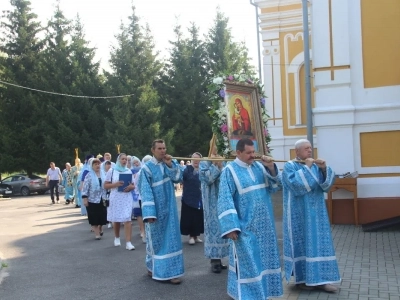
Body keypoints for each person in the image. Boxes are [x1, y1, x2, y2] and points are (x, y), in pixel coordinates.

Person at [218, 138, 283, 300]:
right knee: (248, 264)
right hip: (245, 227)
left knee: (265, 262)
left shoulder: (259, 167)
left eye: (253, 152)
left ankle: (264, 293)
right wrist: (231, 226)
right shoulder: (230, 171)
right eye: (248, 153)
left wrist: (271, 168)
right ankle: (249, 296)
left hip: (265, 226)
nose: (252, 155)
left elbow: (276, 186)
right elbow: (225, 199)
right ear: (238, 153)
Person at [282, 139, 340, 292]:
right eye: (306, 149)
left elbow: (325, 186)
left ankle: (321, 280)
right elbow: (295, 186)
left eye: (310, 148)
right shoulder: (289, 166)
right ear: (297, 152)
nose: (310, 151)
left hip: (317, 214)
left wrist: (323, 169)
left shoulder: (315, 166)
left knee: (319, 245)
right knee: (302, 245)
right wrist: (307, 167)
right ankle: (302, 280)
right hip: (298, 215)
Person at [138, 139, 184, 285]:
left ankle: (171, 273)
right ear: (153, 150)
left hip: (170, 208)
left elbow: (178, 178)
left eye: (164, 148)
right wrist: (150, 213)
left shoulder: (169, 163)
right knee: (156, 241)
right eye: (160, 148)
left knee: (171, 240)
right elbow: (145, 192)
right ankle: (152, 266)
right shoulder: (146, 169)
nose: (163, 151)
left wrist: (171, 164)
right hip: (156, 210)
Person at [199, 155, 229, 273]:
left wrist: (221, 165)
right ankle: (215, 260)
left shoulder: (227, 162)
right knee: (213, 230)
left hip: (225, 200)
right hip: (211, 203)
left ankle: (222, 259)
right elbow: (207, 179)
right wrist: (216, 166)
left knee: (225, 229)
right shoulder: (204, 163)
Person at [104, 153, 136, 250]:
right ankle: (117, 237)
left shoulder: (129, 171)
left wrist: (131, 187)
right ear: (118, 160)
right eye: (122, 159)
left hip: (126, 197)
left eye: (126, 159)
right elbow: (105, 185)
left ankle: (128, 242)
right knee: (116, 219)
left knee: (127, 219)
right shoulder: (112, 171)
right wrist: (115, 184)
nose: (124, 161)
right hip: (116, 197)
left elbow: (133, 185)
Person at [180, 152, 204, 245]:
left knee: (198, 217)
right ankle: (191, 236)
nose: (196, 160)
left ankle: (196, 235)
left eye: (198, 159)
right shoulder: (187, 169)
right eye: (194, 158)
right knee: (190, 217)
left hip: (199, 197)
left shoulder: (202, 170)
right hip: (188, 197)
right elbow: (183, 178)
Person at [82, 158, 107, 240]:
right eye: (95, 164)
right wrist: (85, 198)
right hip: (92, 199)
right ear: (92, 166)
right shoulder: (89, 175)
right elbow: (85, 188)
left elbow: (107, 185)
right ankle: (97, 234)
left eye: (98, 164)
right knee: (94, 217)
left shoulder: (104, 174)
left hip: (102, 198)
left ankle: (100, 228)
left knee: (102, 216)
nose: (97, 165)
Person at [101, 160, 113, 229]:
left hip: (112, 192)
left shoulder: (113, 172)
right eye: (107, 164)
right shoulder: (102, 173)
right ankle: (109, 221)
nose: (108, 166)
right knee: (108, 207)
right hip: (106, 193)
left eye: (109, 164)